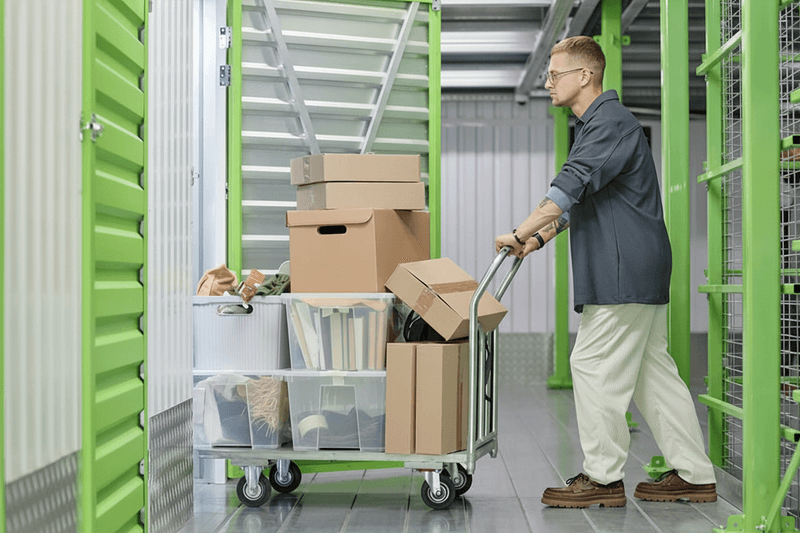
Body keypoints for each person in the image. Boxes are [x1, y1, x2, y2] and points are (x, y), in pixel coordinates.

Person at [495, 36, 717, 508]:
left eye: (556, 74)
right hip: (635, 268)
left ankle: (601, 478)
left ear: (585, 76)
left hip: (623, 271)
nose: (549, 81)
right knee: (652, 374)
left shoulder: (609, 123)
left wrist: (517, 230)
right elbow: (581, 203)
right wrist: (536, 241)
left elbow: (566, 189)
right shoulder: (601, 126)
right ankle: (695, 475)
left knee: (590, 363)